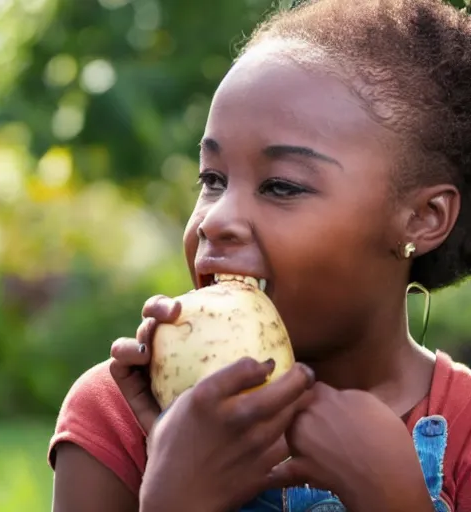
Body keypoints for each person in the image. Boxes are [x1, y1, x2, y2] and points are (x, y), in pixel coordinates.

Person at [48, 0, 471, 510]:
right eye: (212, 179)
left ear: (423, 218)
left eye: (281, 186)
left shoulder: (465, 428)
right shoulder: (116, 417)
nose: (215, 219)